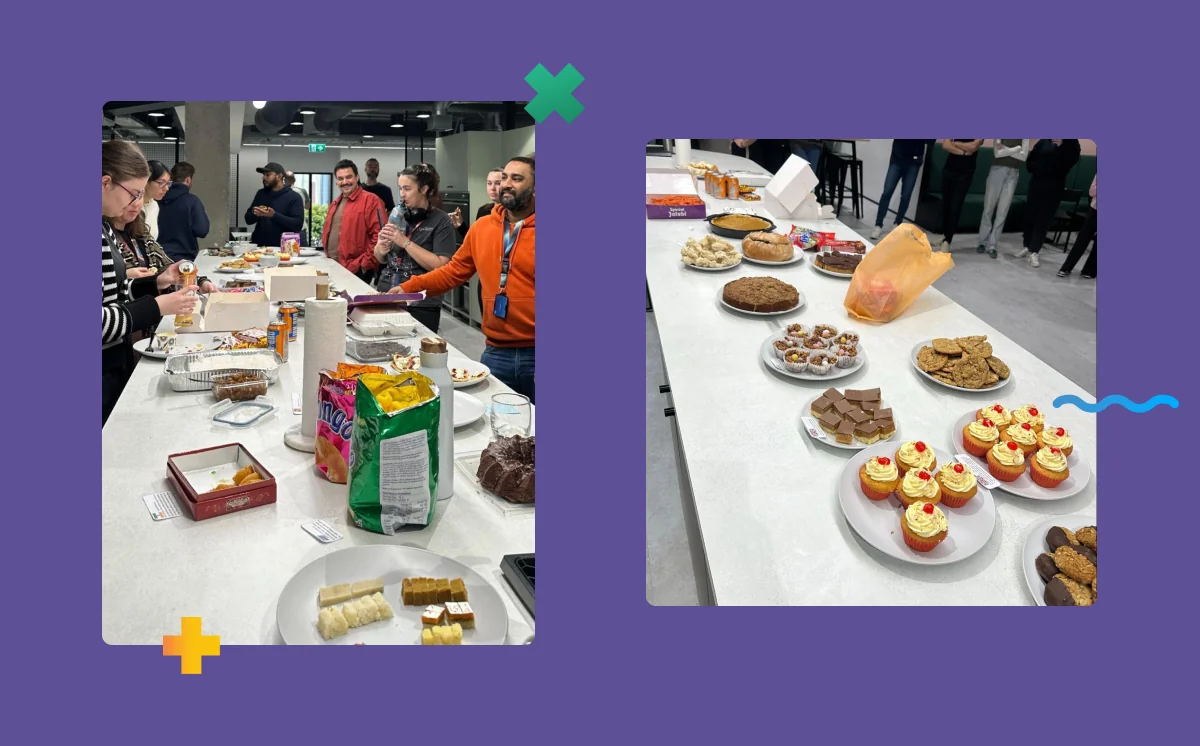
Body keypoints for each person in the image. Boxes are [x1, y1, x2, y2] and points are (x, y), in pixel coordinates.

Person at [387, 157, 536, 402]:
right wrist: (407, 287)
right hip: (496, 351)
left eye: (517, 179)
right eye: (505, 178)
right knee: (498, 423)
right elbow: (453, 271)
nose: (506, 184)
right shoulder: (481, 228)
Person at [102, 140, 198, 423]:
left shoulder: (104, 227)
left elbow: (115, 292)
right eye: (133, 193)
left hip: (114, 359)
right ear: (106, 182)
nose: (137, 203)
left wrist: (157, 281)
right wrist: (156, 307)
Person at [372, 163, 457, 332]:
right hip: (387, 293)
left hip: (421, 302)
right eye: (400, 189)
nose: (402, 194)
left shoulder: (442, 221)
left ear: (424, 189)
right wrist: (380, 250)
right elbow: (379, 256)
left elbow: (441, 266)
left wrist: (405, 242)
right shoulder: (398, 215)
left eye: (407, 189)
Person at [1017, 139, 1081, 268]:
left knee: (1043, 218)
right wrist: (1037, 168)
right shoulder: (1044, 141)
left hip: (1054, 186)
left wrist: (1060, 146)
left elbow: (1068, 163)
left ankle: (1034, 251)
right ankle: (1027, 245)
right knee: (1030, 215)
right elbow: (1031, 158)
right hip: (1036, 182)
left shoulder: (1071, 143)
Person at [321, 159, 384, 282]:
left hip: (356, 270)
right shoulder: (335, 203)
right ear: (336, 181)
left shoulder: (371, 200)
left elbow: (380, 236)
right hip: (334, 267)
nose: (345, 182)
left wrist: (364, 265)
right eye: (340, 179)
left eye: (348, 177)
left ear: (357, 177)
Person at [869, 140, 933, 240]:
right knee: (887, 192)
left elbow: (931, 141)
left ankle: (897, 223)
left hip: (914, 160)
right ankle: (878, 225)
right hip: (897, 157)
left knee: (906, 195)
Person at [976, 140, 1029, 257]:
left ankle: (992, 244)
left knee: (1003, 210)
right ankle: (982, 242)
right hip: (997, 169)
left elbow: (1024, 157)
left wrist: (1006, 149)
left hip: (1014, 173)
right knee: (989, 207)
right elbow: (997, 153)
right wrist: (1017, 148)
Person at [157, 162, 210, 262]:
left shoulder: (156, 200)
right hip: (184, 259)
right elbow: (202, 230)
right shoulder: (192, 201)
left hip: (158, 258)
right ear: (188, 179)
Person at [935, 139, 982, 251]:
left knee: (955, 207)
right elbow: (946, 145)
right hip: (949, 170)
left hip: (965, 174)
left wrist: (955, 144)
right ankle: (944, 235)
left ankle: (947, 240)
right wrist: (963, 152)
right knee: (946, 205)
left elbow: (973, 147)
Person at [246, 162, 305, 249]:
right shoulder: (261, 194)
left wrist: (274, 215)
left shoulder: (294, 197)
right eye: (263, 175)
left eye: (267, 175)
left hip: (284, 248)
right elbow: (247, 219)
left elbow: (297, 225)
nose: (263, 178)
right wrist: (255, 214)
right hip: (260, 248)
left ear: (279, 176)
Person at [1059, 176, 1097, 279]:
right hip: (1095, 210)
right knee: (1082, 239)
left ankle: (1089, 270)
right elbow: (1092, 192)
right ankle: (1066, 268)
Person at [142, 160, 170, 241]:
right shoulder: (130, 206)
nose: (166, 188)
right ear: (146, 182)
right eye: (161, 183)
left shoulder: (154, 206)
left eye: (168, 183)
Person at [284, 170, 310, 246]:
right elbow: (307, 207)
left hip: (286, 228)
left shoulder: (282, 193)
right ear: (294, 180)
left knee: (286, 253)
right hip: (301, 227)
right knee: (303, 252)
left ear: (284, 180)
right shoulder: (302, 191)